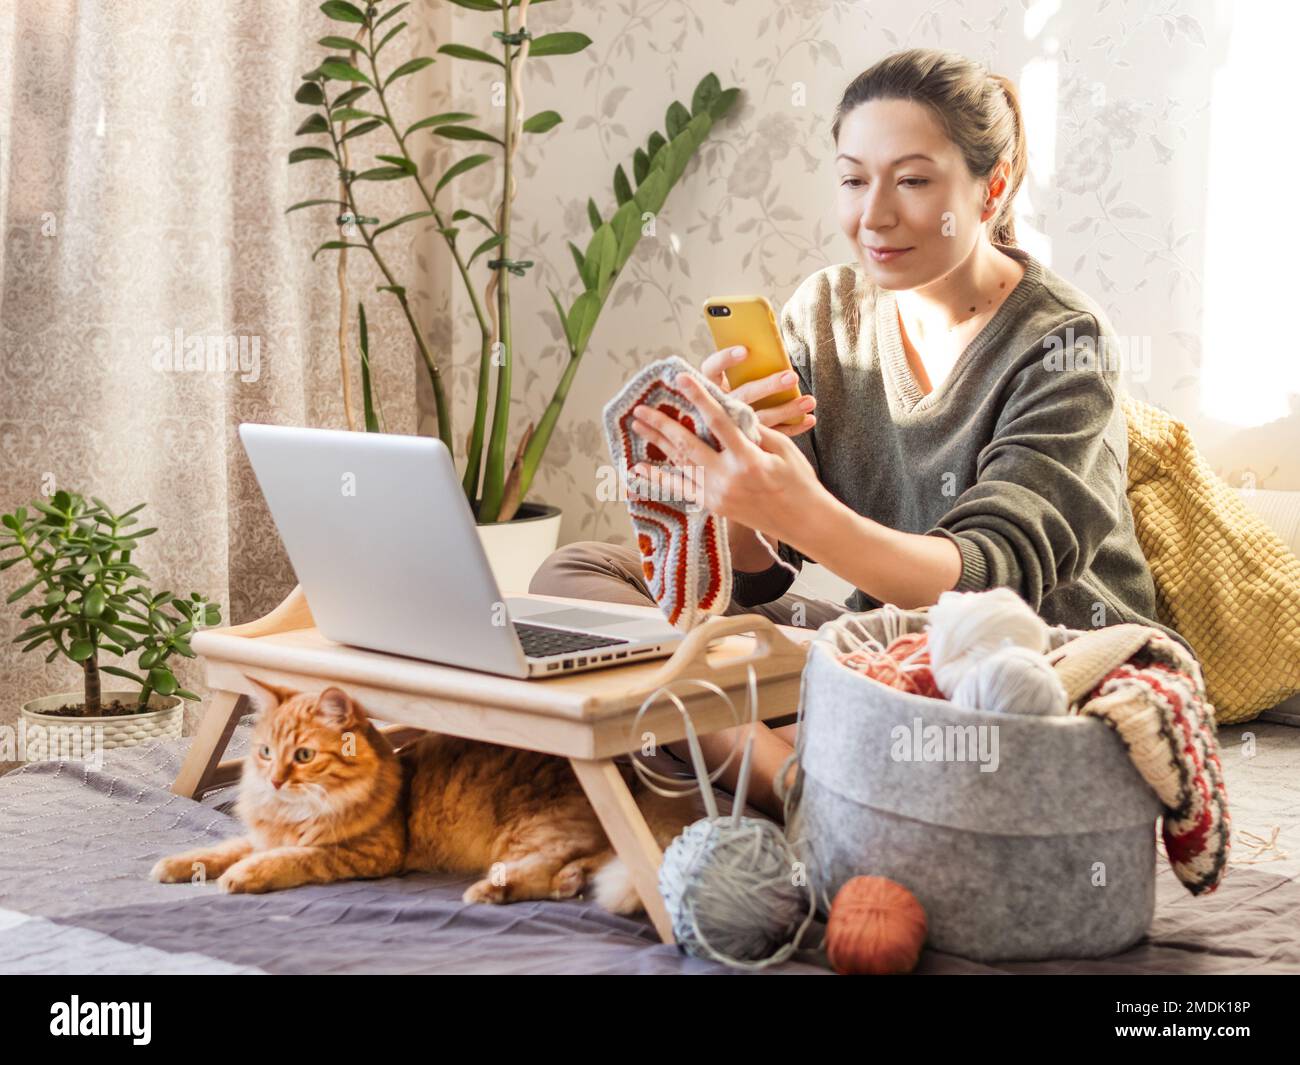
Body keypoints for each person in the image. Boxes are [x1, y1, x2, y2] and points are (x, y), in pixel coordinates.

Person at [531, 47, 1182, 820]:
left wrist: (798, 507)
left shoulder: (1063, 345)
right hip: (878, 639)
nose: (872, 216)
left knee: (922, 717)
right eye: (852, 179)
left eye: (911, 181)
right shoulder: (827, 312)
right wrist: (733, 486)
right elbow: (760, 577)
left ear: (992, 185)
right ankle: (802, 783)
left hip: (1030, 661)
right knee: (572, 581)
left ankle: (782, 754)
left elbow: (986, 580)